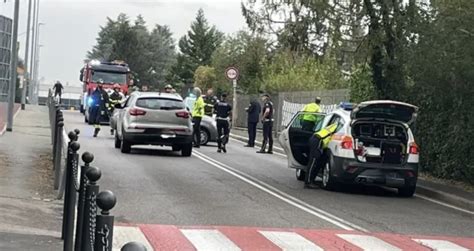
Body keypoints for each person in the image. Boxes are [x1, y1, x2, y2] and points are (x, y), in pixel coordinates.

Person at [305, 123, 338, 189]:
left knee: (319, 162)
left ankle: (311, 180)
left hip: (318, 141)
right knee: (313, 162)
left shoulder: (335, 123)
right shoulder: (339, 126)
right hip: (317, 140)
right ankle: (308, 182)